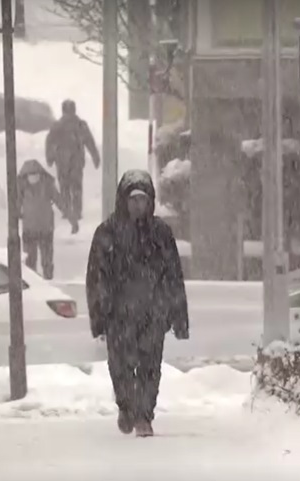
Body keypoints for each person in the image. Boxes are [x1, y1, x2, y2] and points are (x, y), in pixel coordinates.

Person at [86, 169, 189, 437]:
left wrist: (178, 316)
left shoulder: (161, 233)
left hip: (153, 313)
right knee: (119, 366)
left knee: (149, 367)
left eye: (143, 199)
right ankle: (126, 406)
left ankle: (144, 416)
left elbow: (174, 275)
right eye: (133, 199)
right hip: (118, 314)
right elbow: (96, 277)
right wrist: (99, 315)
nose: (138, 205)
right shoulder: (107, 233)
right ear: (123, 200)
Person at [45, 99, 101, 233]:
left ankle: (66, 210)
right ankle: (76, 210)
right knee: (76, 186)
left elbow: (49, 142)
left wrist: (50, 158)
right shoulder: (80, 124)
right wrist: (95, 157)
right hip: (76, 160)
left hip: (62, 160)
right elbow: (89, 141)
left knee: (64, 186)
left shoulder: (57, 126)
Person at [17, 159, 72, 280]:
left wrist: (69, 214)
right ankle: (34, 282)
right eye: (31, 174)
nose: (33, 177)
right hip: (32, 229)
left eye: (35, 173)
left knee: (45, 260)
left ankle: (46, 281)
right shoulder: (22, 187)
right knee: (31, 261)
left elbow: (58, 200)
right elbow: (16, 205)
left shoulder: (47, 185)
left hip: (44, 228)